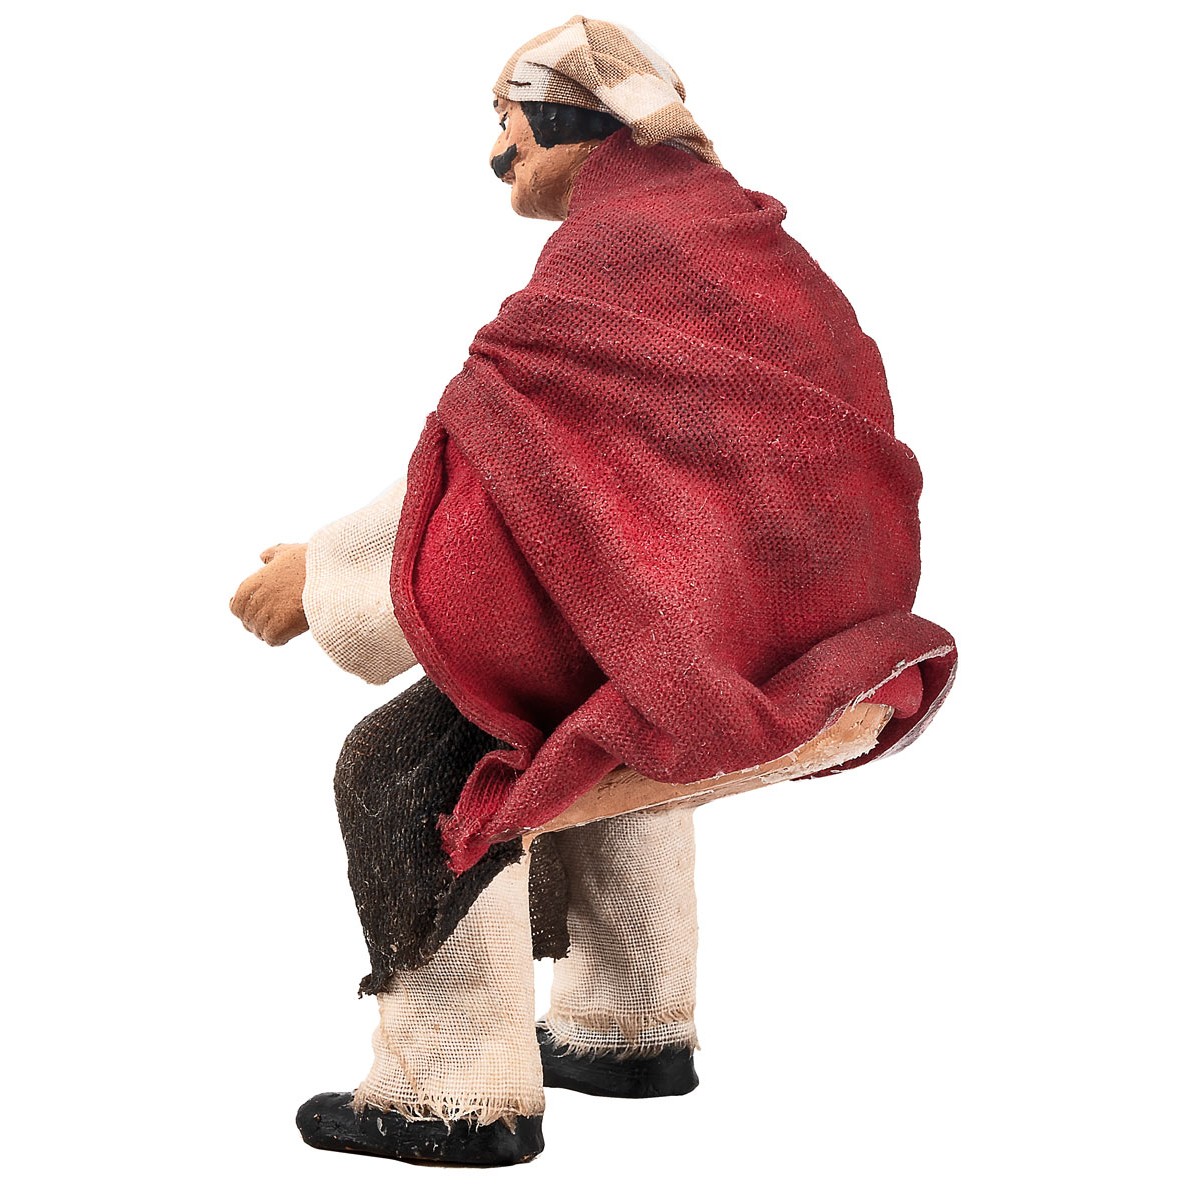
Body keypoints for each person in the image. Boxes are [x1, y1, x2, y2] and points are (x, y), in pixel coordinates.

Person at [231, 16, 955, 1168]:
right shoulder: (747, 245)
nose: (495, 151)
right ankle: (630, 1030)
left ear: (578, 119)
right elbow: (594, 474)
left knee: (407, 772)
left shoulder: (613, 255)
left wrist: (319, 578)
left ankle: (453, 1097)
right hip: (819, 660)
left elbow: (498, 464)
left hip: (753, 675)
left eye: (508, 120)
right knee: (626, 697)